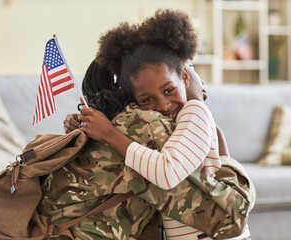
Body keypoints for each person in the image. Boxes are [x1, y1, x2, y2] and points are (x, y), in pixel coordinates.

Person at [48, 10, 255, 240]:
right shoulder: (163, 125)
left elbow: (167, 172)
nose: (163, 105)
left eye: (169, 90)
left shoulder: (194, 110)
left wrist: (108, 134)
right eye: (147, 100)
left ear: (185, 78)